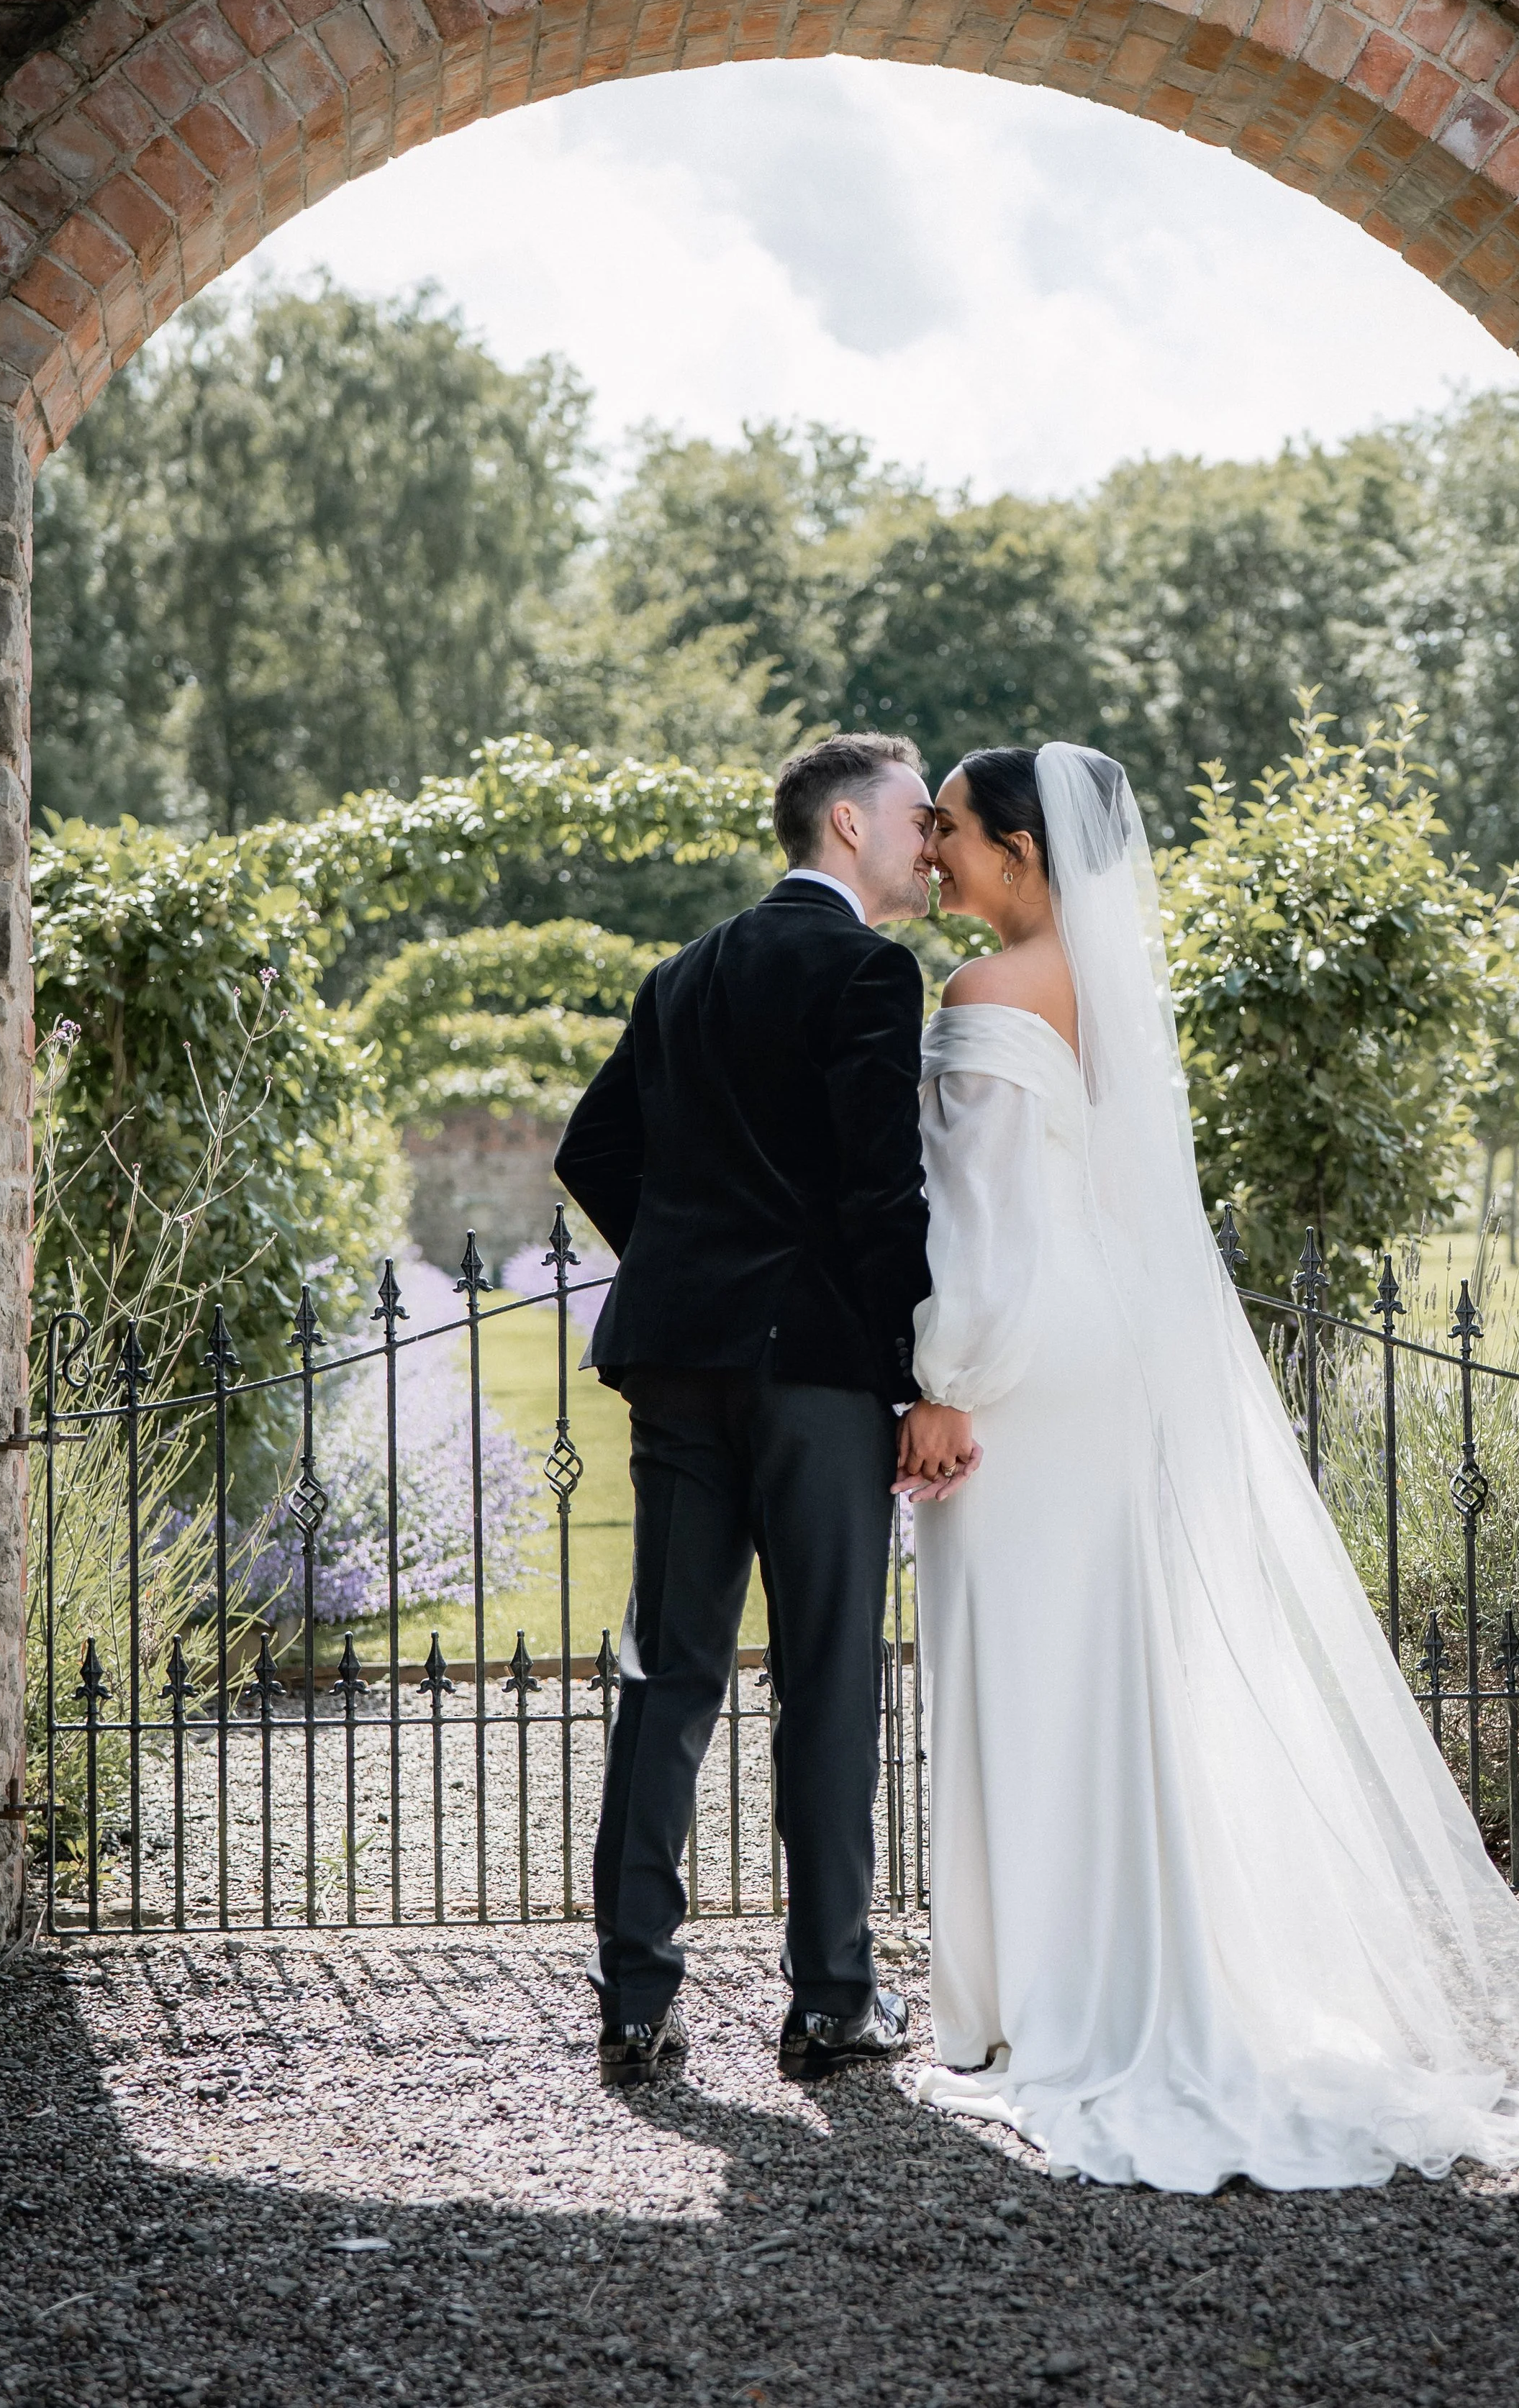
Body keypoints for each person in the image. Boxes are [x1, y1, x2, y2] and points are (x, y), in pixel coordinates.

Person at [893, 743, 1519, 2191]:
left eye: (962, 835)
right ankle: (1137, 1972)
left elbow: (973, 1228)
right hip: (1102, 1351)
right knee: (1111, 1664)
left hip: (1021, 1368)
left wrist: (940, 1381)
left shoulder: (984, 995)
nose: (938, 856)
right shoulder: (1104, 989)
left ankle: (1039, 2004)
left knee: (1023, 1668)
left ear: (1026, 859)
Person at [555, 732, 975, 2089]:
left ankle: (634, 2004)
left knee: (666, 1675)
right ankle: (831, 2000)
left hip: (679, 1367)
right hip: (814, 1379)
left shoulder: (681, 973)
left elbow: (591, 1148)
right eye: (919, 817)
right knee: (829, 1677)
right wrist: (913, 1369)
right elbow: (881, 1190)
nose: (932, 840)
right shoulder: (868, 969)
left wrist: (685, 1268)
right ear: (847, 825)